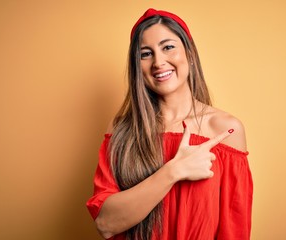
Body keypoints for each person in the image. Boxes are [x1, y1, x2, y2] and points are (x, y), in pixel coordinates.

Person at [86, 8, 253, 240]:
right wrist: (174, 171)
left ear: (190, 54)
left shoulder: (225, 129)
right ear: (138, 67)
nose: (158, 62)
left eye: (168, 47)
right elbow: (106, 224)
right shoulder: (122, 130)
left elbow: (234, 230)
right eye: (145, 54)